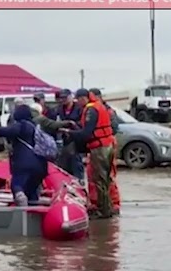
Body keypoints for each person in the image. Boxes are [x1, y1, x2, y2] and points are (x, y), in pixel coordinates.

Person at [69, 89, 116, 219]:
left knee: (99, 180)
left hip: (100, 148)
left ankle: (104, 211)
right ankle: (108, 207)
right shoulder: (98, 106)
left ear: (83, 98)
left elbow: (86, 133)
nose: (77, 103)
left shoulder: (91, 110)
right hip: (107, 145)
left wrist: (71, 133)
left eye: (78, 99)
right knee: (106, 179)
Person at [0, 104, 48, 206]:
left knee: (17, 185)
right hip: (40, 164)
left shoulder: (22, 125)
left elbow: (9, 131)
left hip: (24, 162)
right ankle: (33, 213)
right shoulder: (36, 127)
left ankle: (21, 202)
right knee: (32, 189)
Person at [89, 88, 121, 215]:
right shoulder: (94, 109)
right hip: (97, 145)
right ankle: (97, 202)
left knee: (108, 176)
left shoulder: (107, 110)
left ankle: (114, 203)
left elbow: (113, 127)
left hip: (106, 144)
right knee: (93, 175)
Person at [49, 89, 83, 180]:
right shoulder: (59, 109)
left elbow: (83, 124)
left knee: (76, 165)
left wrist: (72, 126)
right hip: (63, 141)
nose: (63, 100)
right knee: (64, 166)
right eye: (61, 98)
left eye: (65, 97)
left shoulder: (79, 108)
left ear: (71, 97)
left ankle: (79, 184)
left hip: (76, 140)